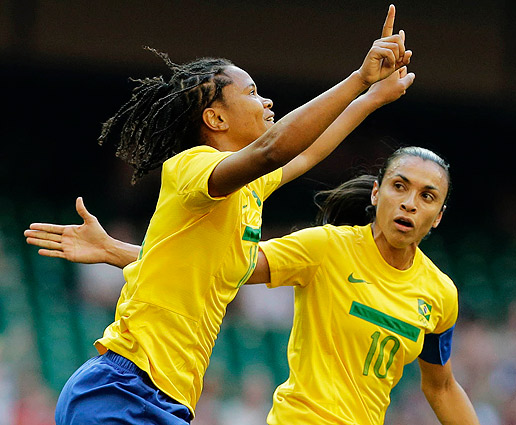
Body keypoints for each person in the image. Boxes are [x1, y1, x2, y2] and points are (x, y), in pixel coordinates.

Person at [25, 5, 414, 424]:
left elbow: (308, 152)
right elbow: (275, 149)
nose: (266, 100)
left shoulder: (250, 188)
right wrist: (356, 78)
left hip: (166, 402)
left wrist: (371, 97)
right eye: (250, 93)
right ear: (215, 118)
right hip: (122, 390)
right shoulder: (192, 167)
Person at [27, 146, 481, 424]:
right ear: (377, 193)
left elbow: (440, 387)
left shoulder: (440, 294)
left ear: (438, 216)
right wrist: (116, 251)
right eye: (400, 186)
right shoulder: (326, 248)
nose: (409, 203)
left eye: (427, 196)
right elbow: (223, 268)